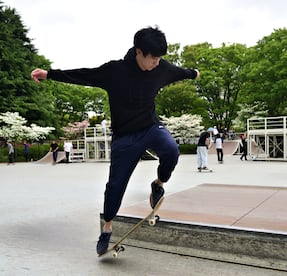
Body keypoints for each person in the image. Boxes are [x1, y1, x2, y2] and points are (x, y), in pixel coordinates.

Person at [31, 26, 200, 255]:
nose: (157, 63)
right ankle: (108, 227)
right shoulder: (114, 71)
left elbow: (182, 71)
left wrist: (194, 73)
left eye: (160, 58)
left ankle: (158, 185)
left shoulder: (162, 68)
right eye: (153, 58)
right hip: (125, 137)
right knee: (115, 186)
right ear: (139, 52)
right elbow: (84, 75)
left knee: (171, 150)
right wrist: (49, 74)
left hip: (150, 127)